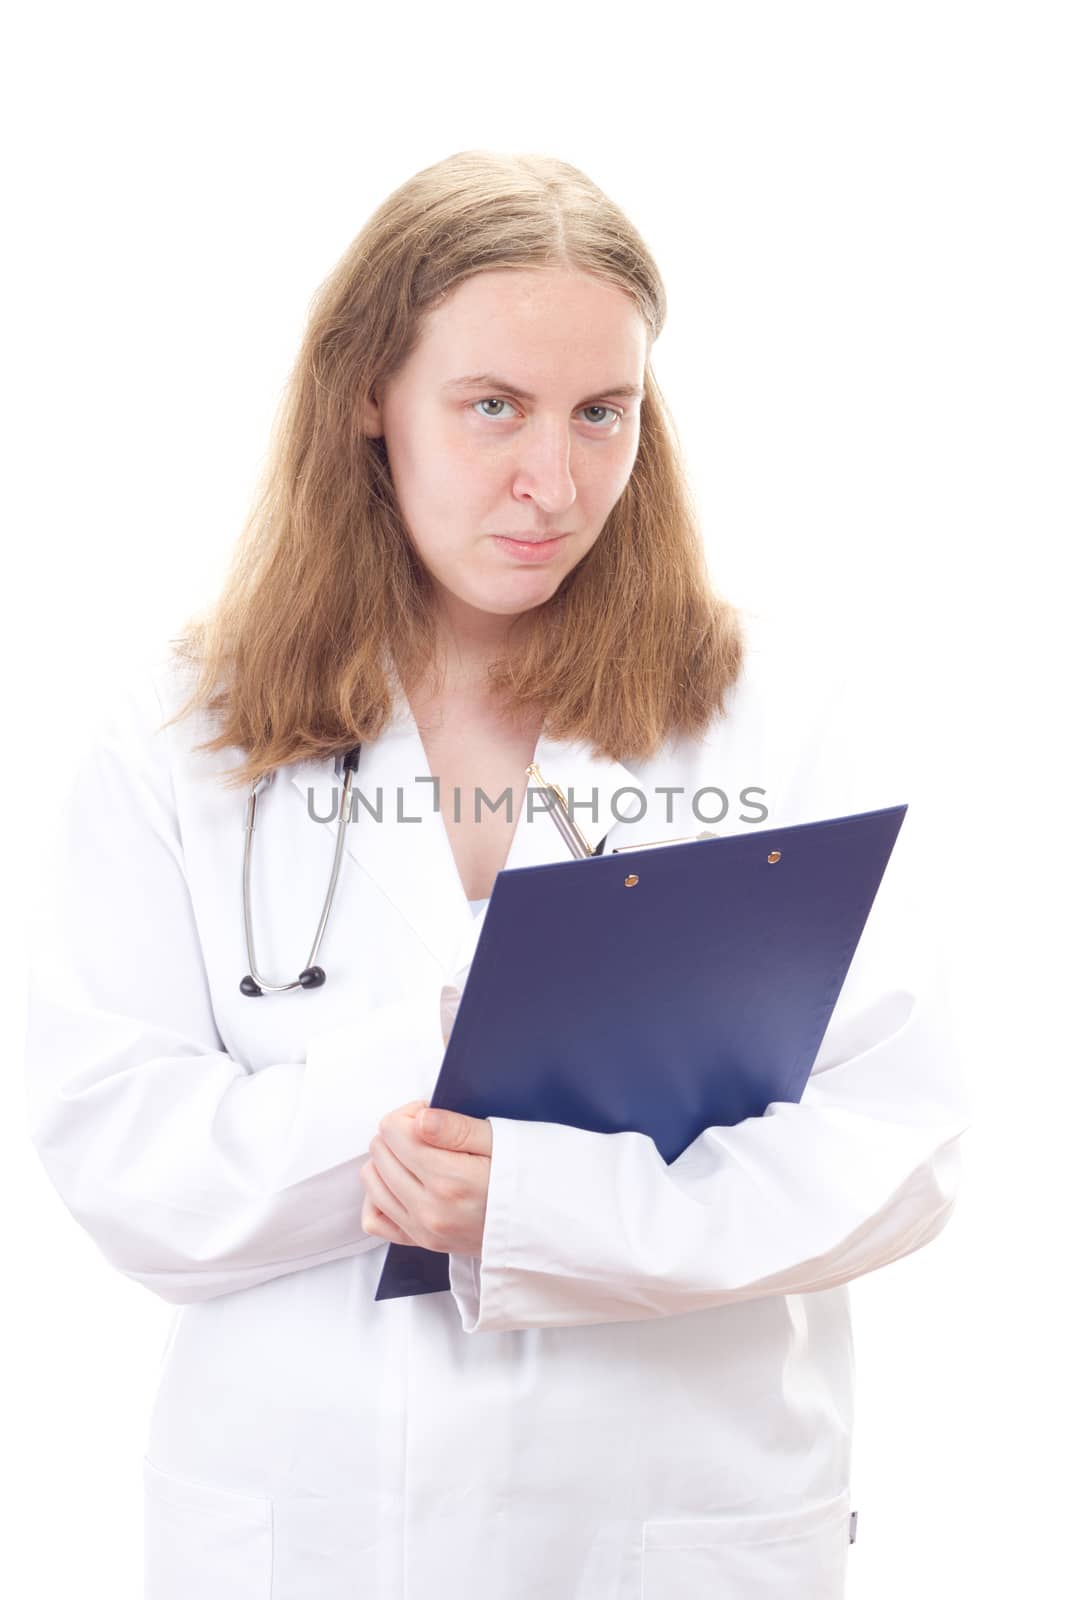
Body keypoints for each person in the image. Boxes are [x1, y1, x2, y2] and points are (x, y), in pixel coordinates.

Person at [23, 149, 970, 1599]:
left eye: (605, 414)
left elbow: (898, 1149)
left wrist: (541, 1205)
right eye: (493, 409)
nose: (556, 481)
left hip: (674, 1521)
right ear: (367, 402)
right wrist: (417, 1096)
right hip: (304, 1528)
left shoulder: (779, 715)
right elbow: (123, 1162)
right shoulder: (178, 733)